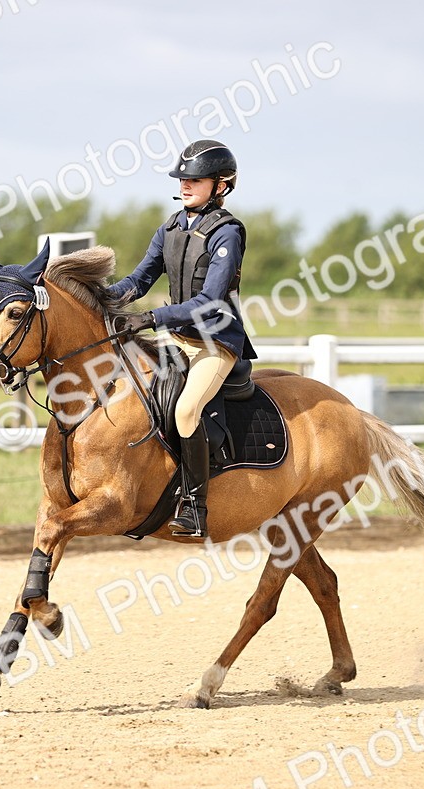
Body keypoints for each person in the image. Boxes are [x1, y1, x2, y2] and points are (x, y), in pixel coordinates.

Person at [109, 139, 257, 539]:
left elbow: (210, 300)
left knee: (187, 410)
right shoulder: (171, 227)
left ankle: (194, 504)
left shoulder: (227, 233)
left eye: (196, 178)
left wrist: (152, 317)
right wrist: (101, 299)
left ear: (221, 185)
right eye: (183, 178)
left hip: (215, 343)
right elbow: (139, 280)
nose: (186, 184)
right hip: (177, 337)